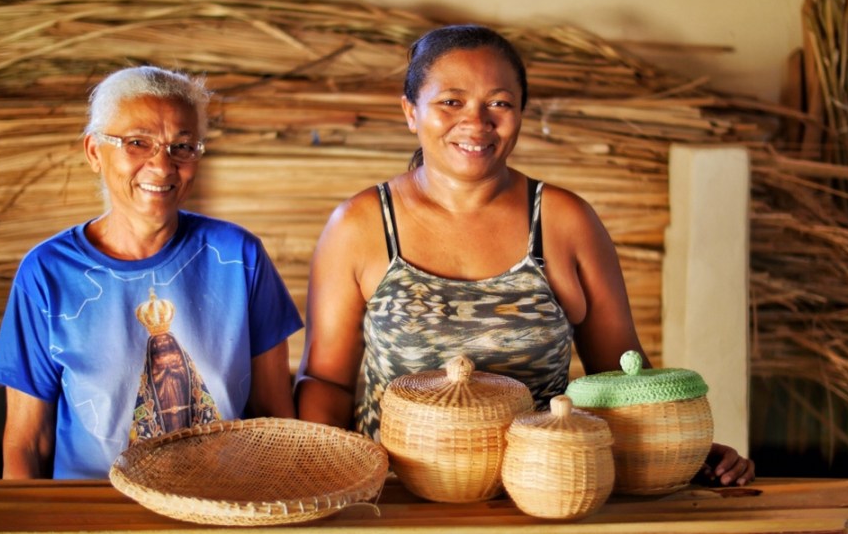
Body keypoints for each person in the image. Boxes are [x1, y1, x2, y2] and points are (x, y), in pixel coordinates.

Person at [296, 25, 754, 486]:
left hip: (548, 492)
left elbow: (622, 378)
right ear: (411, 112)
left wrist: (683, 449)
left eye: (498, 103)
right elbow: (325, 384)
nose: (476, 123)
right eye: (450, 102)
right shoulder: (360, 225)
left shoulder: (565, 222)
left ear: (520, 113)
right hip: (394, 497)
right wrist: (327, 481)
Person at [0, 66, 303, 479]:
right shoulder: (47, 273)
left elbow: (275, 418)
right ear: (94, 152)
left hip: (224, 507)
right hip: (93, 514)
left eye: (183, 146)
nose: (163, 165)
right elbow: (28, 442)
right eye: (138, 143)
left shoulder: (239, 256)